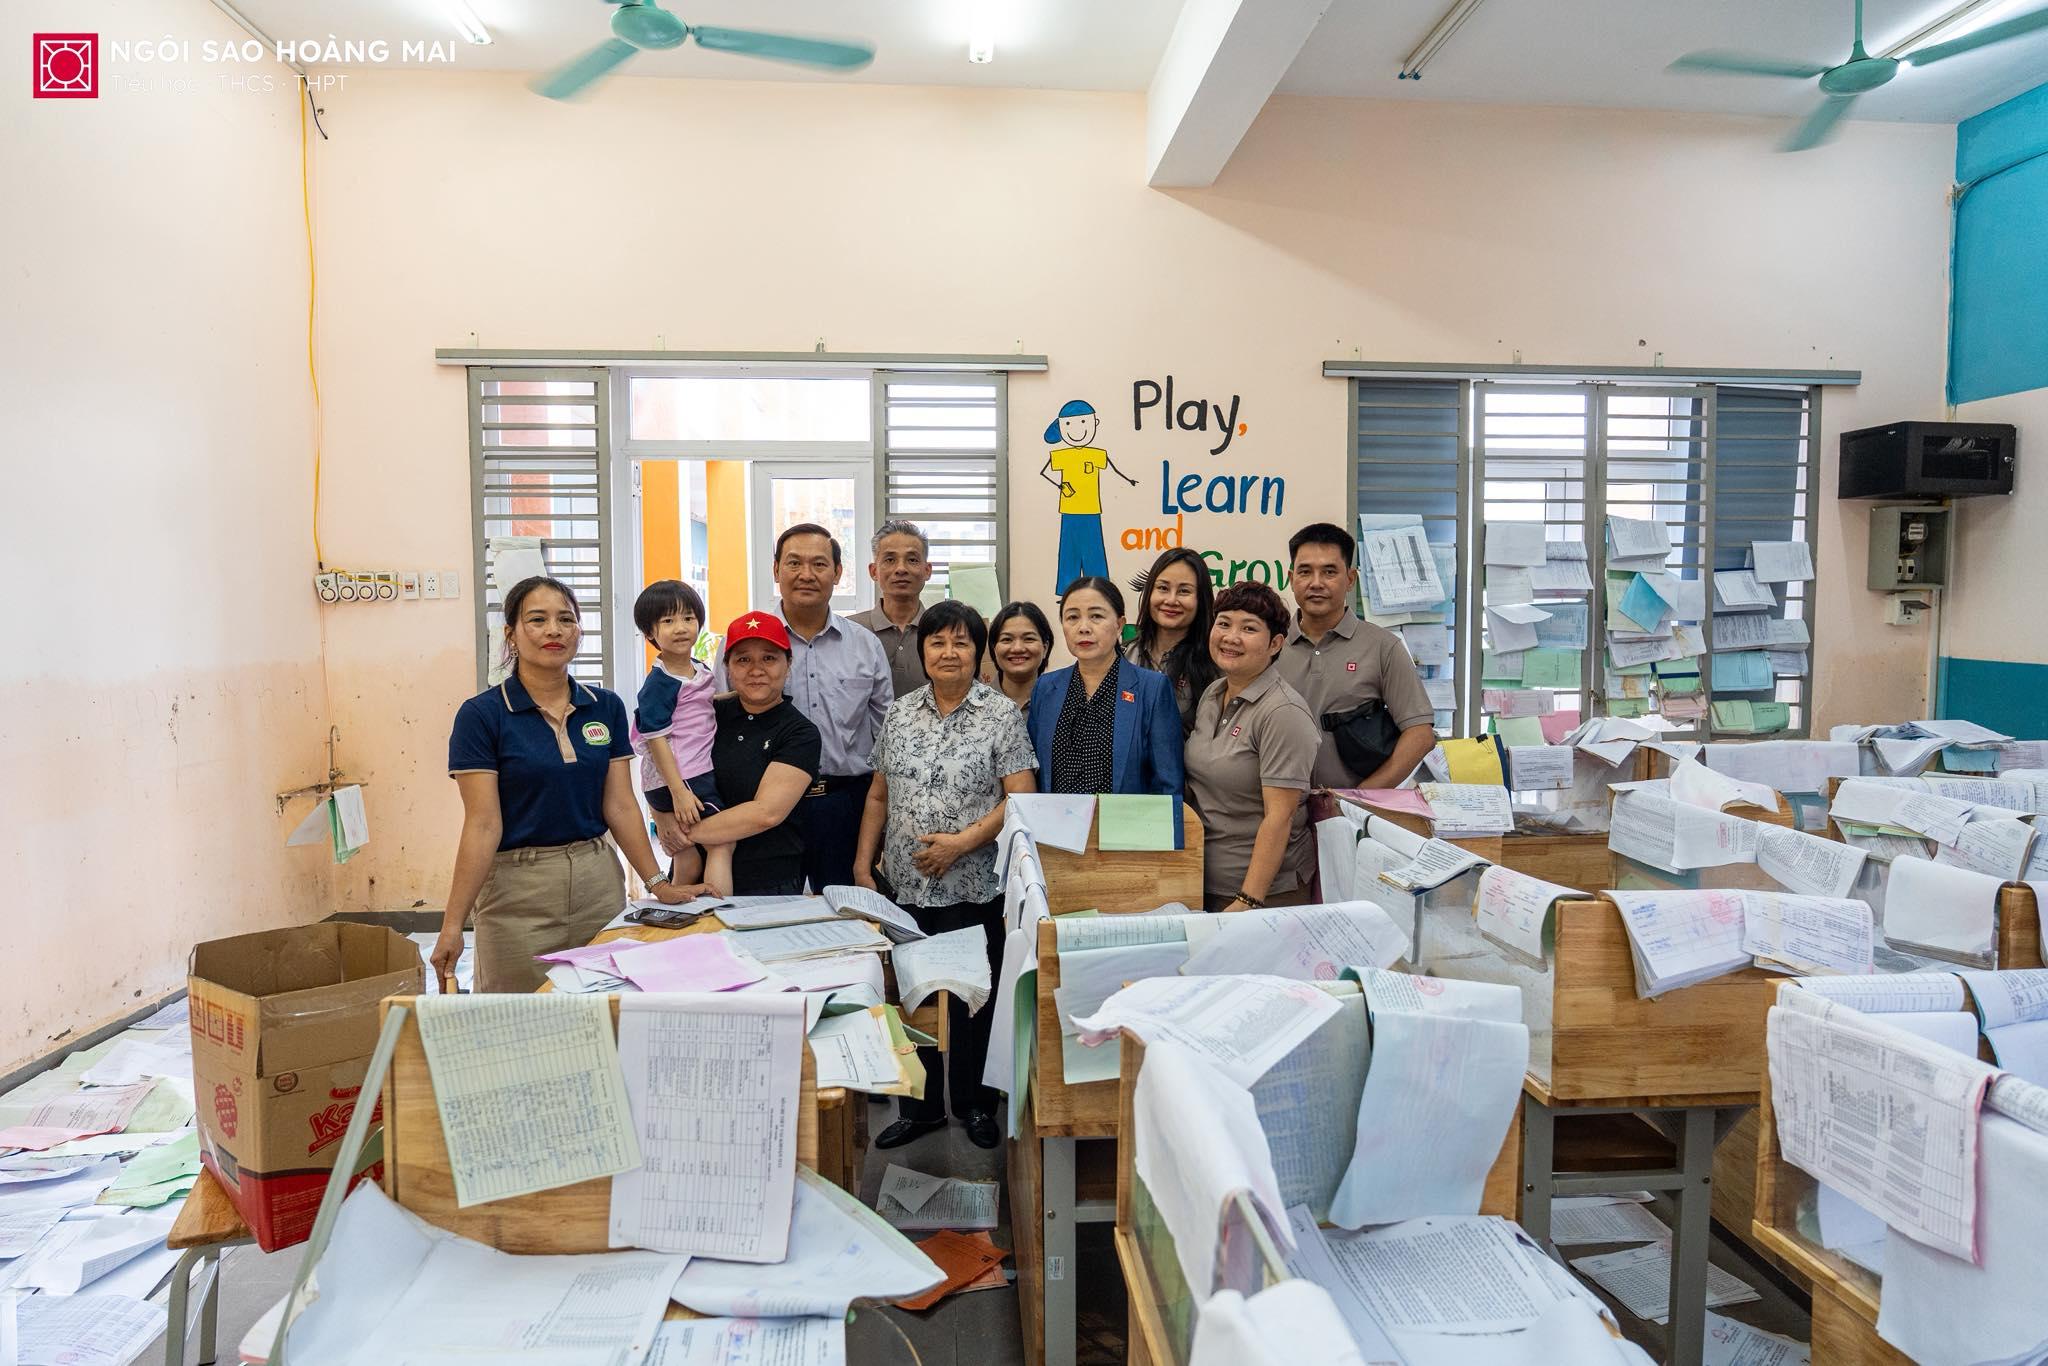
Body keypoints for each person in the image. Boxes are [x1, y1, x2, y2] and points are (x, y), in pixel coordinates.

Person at [439, 576, 688, 992]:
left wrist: (657, 883)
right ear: (511, 634)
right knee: (518, 1013)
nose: (554, 630)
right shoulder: (482, 715)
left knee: (603, 1008)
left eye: (566, 619)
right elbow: (483, 825)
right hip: (517, 893)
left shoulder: (605, 706)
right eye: (537, 620)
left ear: (579, 632)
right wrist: (452, 925)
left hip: (598, 883)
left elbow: (621, 806)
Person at [853, 601, 1037, 1151]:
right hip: (906, 887)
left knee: (971, 997)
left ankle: (975, 1104)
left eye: (961, 642)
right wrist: (863, 862)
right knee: (914, 995)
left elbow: (1020, 796)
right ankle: (921, 1108)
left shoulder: (999, 714)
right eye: (937, 642)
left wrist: (961, 843)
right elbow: (879, 795)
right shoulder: (900, 713)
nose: (948, 652)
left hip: (974, 883)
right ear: (923, 650)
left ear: (978, 652)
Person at [758, 523, 893, 891]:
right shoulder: (748, 645)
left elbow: (886, 738)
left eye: (819, 564)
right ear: (776, 570)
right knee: (767, 913)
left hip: (844, 806)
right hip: (765, 808)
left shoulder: (865, 645)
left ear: (837, 573)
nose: (806, 574)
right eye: (794, 563)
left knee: (847, 914)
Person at [1183, 582, 1321, 912]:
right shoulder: (1214, 693)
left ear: (1275, 644)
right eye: (1224, 623)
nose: (1231, 637)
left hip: (1264, 895)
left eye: (1248, 628)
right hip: (1203, 880)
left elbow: (1280, 817)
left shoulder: (1283, 711)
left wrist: (1248, 900)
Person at [1276, 522, 1438, 790]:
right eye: (1305, 572)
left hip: (1352, 810)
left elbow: (1420, 735)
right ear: (1291, 579)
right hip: (1278, 806)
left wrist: (1359, 799)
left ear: (1350, 579)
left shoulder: (1383, 647)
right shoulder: (1270, 646)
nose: (1316, 583)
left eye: (1329, 572)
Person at [668, 614, 822, 896]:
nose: (756, 670)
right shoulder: (707, 715)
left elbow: (766, 813)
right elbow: (654, 745)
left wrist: (681, 834)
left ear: (788, 664)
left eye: (769, 658)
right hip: (693, 871)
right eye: (743, 660)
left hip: (768, 882)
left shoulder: (800, 733)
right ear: (727, 668)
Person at [1028, 577, 1183, 796]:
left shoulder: (1152, 689)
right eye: (1072, 617)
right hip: (1055, 817)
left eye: (1096, 616)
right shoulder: (1046, 687)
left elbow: (1168, 784)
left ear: (1119, 625)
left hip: (1126, 818)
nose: (1083, 628)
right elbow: (1033, 774)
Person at [628, 579, 732, 896]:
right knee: (722, 842)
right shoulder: (660, 683)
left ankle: (673, 909)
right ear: (650, 632)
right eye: (668, 621)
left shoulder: (696, 668)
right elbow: (655, 738)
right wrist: (679, 792)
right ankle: (719, 913)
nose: (681, 628)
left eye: (688, 618)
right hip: (683, 777)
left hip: (682, 776)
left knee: (686, 853)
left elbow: (702, 705)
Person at [1123, 546, 1218, 729]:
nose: (1171, 600)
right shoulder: (1123, 655)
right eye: (1163, 588)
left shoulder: (1214, 664)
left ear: (1201, 599)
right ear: (1149, 592)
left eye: (1184, 591)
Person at [848, 520, 934, 699]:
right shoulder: (848, 631)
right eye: (889, 560)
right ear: (873, 571)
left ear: (927, 570)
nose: (901, 569)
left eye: (912, 560)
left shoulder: (942, 632)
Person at [985, 600, 1054, 715]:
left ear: (1045, 648)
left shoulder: (1062, 703)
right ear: (994, 649)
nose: (1017, 648)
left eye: (1029, 639)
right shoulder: (975, 704)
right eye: (1007, 639)